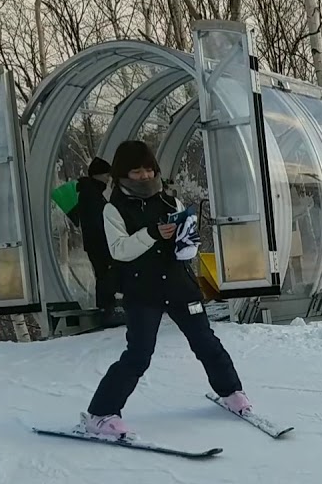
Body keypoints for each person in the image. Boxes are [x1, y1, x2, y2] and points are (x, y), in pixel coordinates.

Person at [78, 140, 252, 438]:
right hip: (142, 291)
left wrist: (187, 241)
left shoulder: (171, 202)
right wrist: (152, 233)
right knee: (139, 354)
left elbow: (188, 247)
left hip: (180, 286)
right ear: (122, 175)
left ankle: (231, 392)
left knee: (205, 342)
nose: (145, 176)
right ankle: (101, 413)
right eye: (137, 172)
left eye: (149, 170)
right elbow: (119, 250)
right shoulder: (113, 210)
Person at [69, 157, 123, 323]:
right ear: (99, 175)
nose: (108, 179)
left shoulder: (90, 191)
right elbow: (96, 221)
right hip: (99, 243)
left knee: (105, 274)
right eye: (107, 175)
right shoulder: (91, 193)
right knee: (105, 274)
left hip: (96, 242)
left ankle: (107, 307)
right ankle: (107, 309)